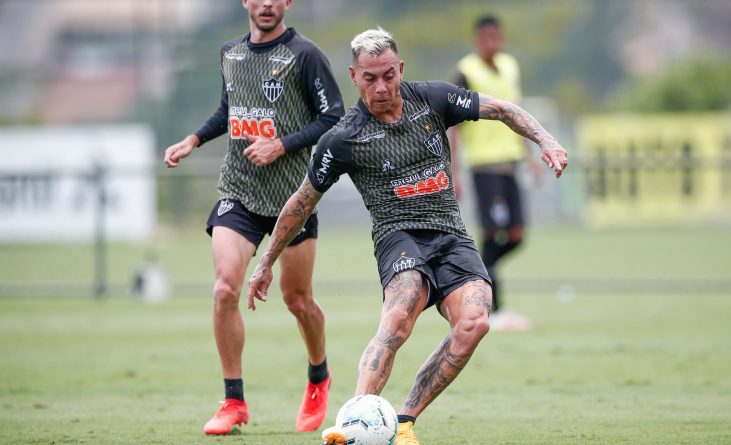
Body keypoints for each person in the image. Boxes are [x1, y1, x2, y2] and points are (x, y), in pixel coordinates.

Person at [246, 28, 567, 445]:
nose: (380, 87)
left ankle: (402, 421)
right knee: (400, 312)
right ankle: (354, 422)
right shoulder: (343, 139)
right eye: (369, 78)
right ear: (354, 76)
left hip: (451, 235)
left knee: (474, 322)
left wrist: (546, 140)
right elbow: (302, 201)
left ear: (400, 69)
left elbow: (503, 109)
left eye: (388, 76)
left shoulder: (432, 99)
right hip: (398, 237)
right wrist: (266, 262)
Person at [163, 0, 344, 435]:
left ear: (287, 3)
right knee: (225, 288)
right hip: (239, 192)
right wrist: (193, 140)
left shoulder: (305, 55)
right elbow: (230, 110)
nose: (266, 3)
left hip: (292, 200)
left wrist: (281, 144)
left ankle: (318, 376)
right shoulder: (230, 52)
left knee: (297, 300)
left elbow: (333, 117)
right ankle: (233, 401)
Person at [448, 14, 541, 331]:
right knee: (491, 234)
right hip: (483, 165)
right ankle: (495, 308)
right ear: (477, 40)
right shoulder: (466, 71)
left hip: (510, 162)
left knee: (516, 236)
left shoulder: (510, 66)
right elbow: (455, 125)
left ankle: (473, 273)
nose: (493, 43)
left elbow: (517, 115)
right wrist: (455, 171)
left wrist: (530, 156)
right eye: (487, 38)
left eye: (496, 37)